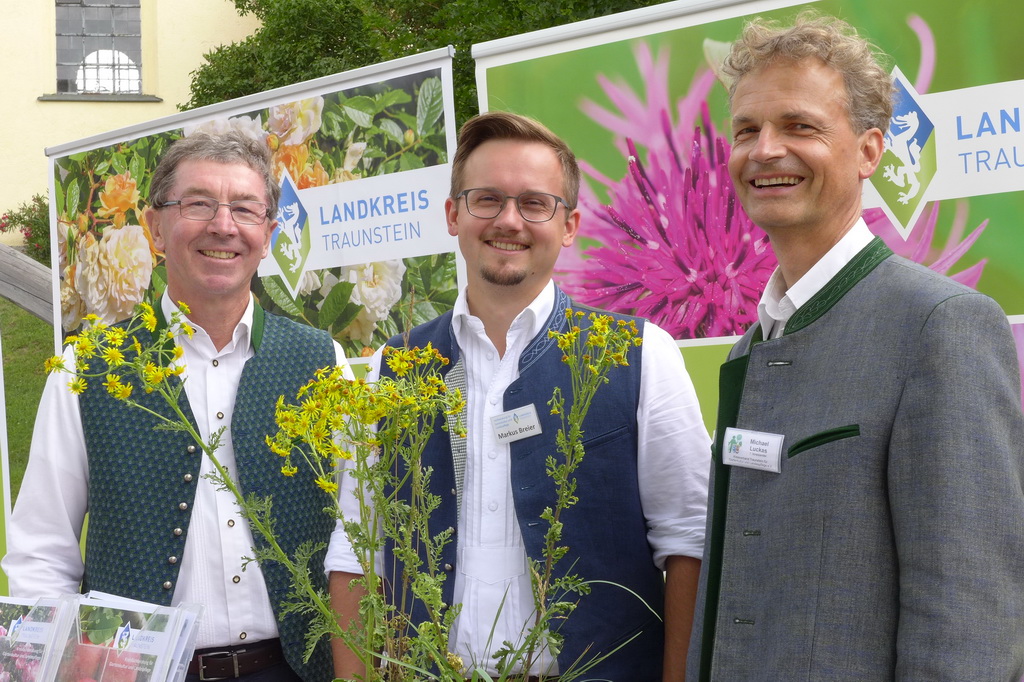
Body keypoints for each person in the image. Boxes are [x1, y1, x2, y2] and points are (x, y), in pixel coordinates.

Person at [687, 13, 1024, 681]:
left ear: (869, 152)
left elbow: (971, 627)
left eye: (799, 126)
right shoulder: (748, 348)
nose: (765, 150)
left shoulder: (941, 326)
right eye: (747, 130)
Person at [326, 111, 711, 680]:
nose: (509, 220)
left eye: (535, 203)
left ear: (570, 225)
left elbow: (689, 543)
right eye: (487, 199)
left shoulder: (641, 355)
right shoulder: (394, 365)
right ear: (453, 214)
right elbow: (358, 548)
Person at [3, 131, 352, 682]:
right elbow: (42, 554)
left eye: (245, 208)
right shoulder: (86, 369)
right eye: (198, 204)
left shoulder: (321, 359)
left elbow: (357, 538)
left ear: (268, 234)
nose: (223, 225)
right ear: (154, 228)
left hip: (297, 670)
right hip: (139, 672)